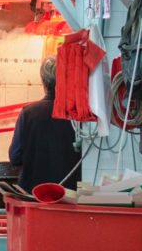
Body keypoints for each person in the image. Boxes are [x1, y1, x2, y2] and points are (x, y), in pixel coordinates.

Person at [8, 57, 86, 194]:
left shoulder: (28, 113)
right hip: (70, 196)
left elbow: (15, 157)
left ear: (43, 82)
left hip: (33, 196)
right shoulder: (78, 115)